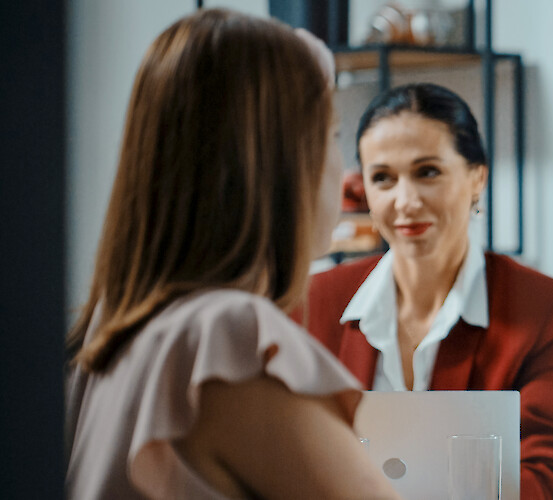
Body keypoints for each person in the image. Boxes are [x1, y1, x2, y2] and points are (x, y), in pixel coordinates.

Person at [64, 9, 399, 499]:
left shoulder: (110, 332)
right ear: (282, 162)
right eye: (332, 135)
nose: (347, 172)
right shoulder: (225, 340)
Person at [302, 83, 553, 498]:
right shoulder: (314, 302)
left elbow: (546, 482)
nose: (405, 201)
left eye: (427, 172)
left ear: (477, 177)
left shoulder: (549, 309)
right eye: (383, 178)